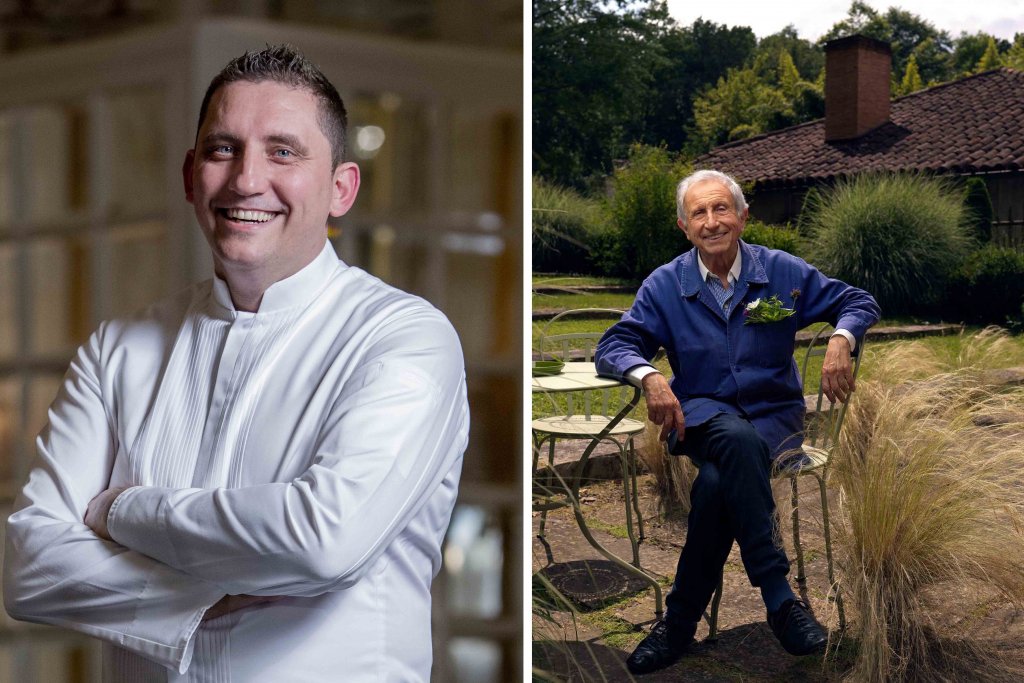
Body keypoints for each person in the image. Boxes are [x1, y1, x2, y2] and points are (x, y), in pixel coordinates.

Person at [3, 45, 469, 682]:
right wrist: (198, 600)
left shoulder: (404, 337)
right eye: (224, 149)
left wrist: (121, 512)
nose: (247, 180)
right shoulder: (118, 346)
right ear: (191, 175)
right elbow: (30, 565)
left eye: (283, 151)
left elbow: (321, 541)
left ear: (341, 188)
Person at [594, 169, 879, 675]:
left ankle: (677, 622)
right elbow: (614, 345)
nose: (712, 221)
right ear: (684, 226)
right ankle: (779, 598)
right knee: (731, 440)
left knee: (716, 486)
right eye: (699, 213)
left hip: (775, 419)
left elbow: (857, 301)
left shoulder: (782, 272)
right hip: (703, 416)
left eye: (721, 208)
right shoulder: (665, 285)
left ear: (743, 216)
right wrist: (650, 378)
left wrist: (841, 340)